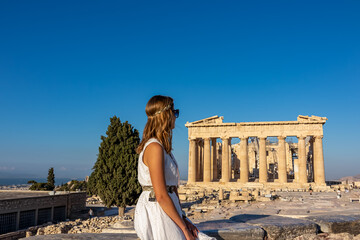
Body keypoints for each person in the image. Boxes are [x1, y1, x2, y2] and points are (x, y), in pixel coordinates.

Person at [134, 95, 215, 240]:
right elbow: (160, 195)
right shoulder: (154, 147)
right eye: (175, 112)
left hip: (169, 209)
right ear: (165, 115)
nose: (176, 117)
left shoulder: (163, 148)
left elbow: (172, 188)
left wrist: (184, 218)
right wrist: (183, 228)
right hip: (157, 210)